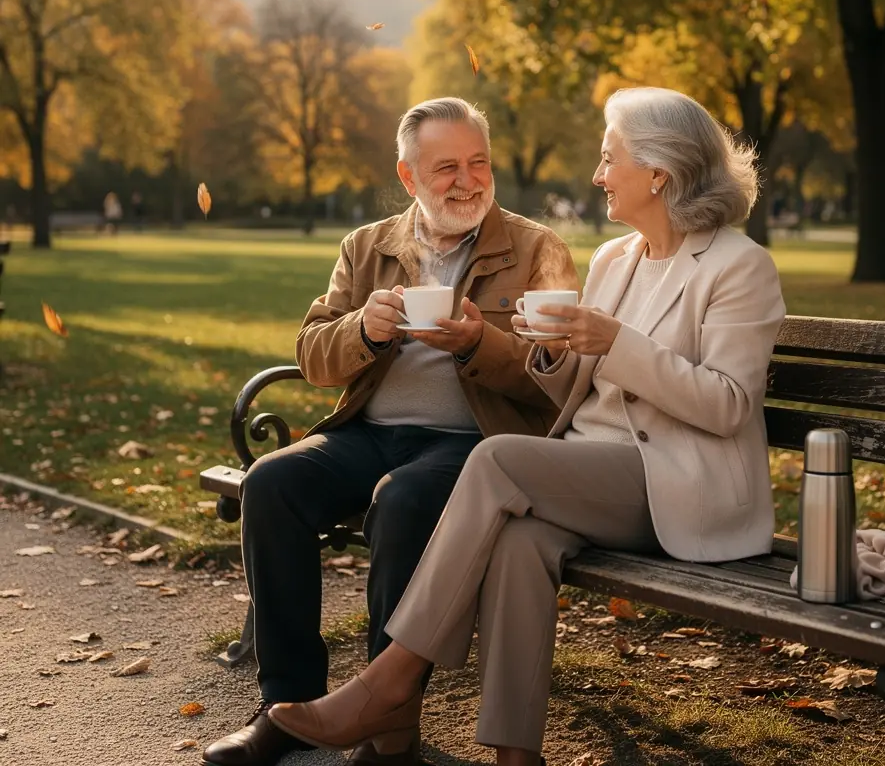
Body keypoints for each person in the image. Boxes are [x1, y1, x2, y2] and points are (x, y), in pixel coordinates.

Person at [267, 87, 787, 766]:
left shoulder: (738, 266)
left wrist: (614, 343)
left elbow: (727, 406)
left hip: (674, 481)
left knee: (498, 461)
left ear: (658, 172)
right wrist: (547, 349)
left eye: (610, 160)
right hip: (588, 469)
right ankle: (516, 756)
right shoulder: (615, 259)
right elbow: (571, 385)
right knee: (520, 542)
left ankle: (390, 681)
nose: (599, 175)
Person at [203, 97, 579, 766]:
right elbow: (314, 352)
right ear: (409, 178)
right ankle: (286, 706)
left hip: (475, 445)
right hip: (367, 432)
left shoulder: (535, 249)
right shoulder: (368, 245)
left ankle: (385, 718)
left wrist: (476, 344)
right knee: (271, 481)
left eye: (478, 162)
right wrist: (365, 331)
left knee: (402, 500)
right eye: (446, 168)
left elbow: (557, 381)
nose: (467, 181)